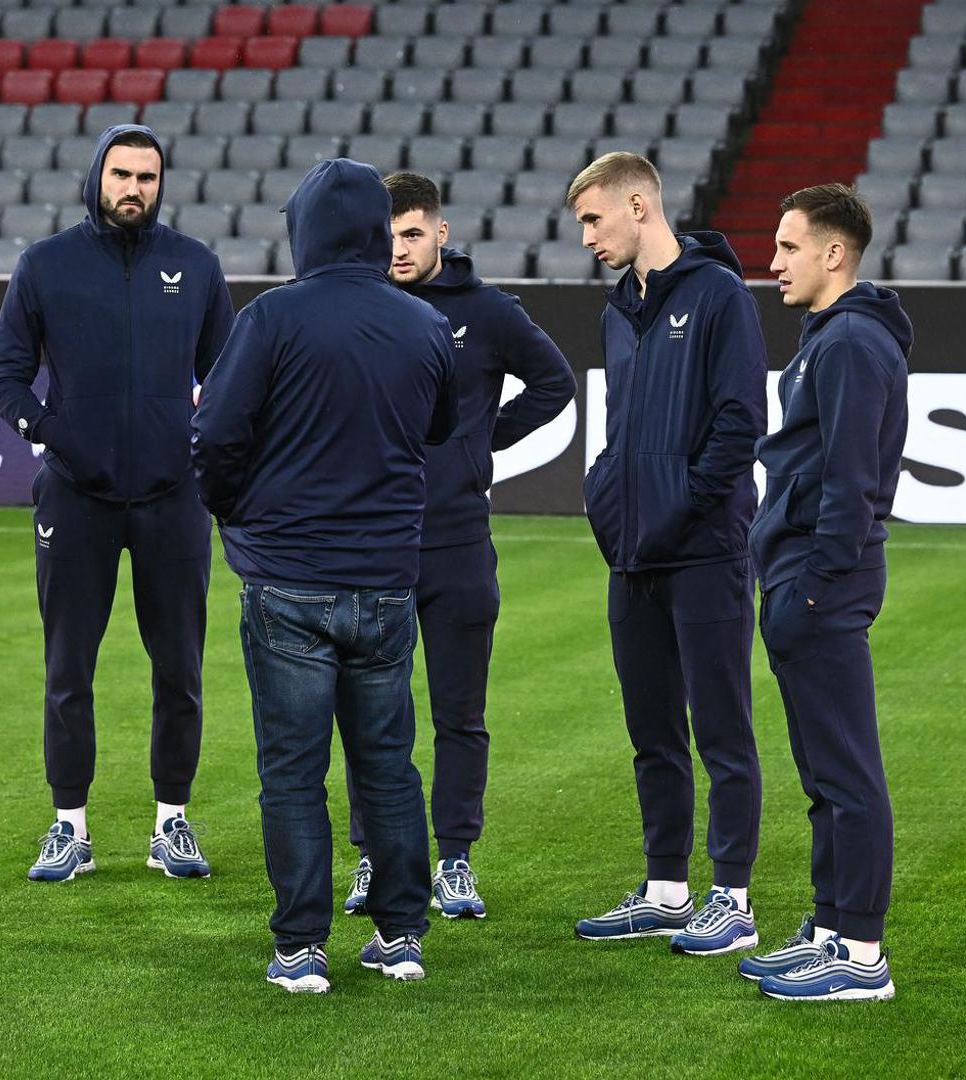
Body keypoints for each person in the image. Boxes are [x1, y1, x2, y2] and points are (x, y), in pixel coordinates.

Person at [192, 158, 457, 993]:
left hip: (289, 581)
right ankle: (402, 935)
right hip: (384, 582)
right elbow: (439, 426)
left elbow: (215, 437)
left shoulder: (271, 317)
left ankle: (302, 947)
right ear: (379, 233)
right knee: (389, 765)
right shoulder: (422, 324)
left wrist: (237, 514)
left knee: (293, 772)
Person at [0, 125, 235, 883]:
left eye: (147, 177)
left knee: (180, 670)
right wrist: (56, 435)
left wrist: (198, 446)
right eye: (122, 174)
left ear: (162, 183)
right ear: (97, 176)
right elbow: (3, 378)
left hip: (172, 500)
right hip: (75, 496)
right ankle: (69, 828)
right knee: (69, 669)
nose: (134, 188)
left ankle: (172, 823)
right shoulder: (46, 266)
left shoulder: (194, 267)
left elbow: (226, 379)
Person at [340, 172, 576, 921]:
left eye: (413, 233)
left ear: (442, 232)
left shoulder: (488, 312)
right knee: (373, 711)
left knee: (459, 714)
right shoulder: (357, 307)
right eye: (389, 234)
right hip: (374, 540)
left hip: (457, 541)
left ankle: (454, 862)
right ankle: (375, 859)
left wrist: (479, 442)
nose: (399, 248)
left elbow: (554, 383)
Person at [567, 153, 769, 956]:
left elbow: (737, 425)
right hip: (634, 551)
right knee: (651, 727)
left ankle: (734, 896)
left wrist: (677, 508)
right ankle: (665, 889)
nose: (585, 237)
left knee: (722, 726)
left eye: (593, 219)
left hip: (705, 548)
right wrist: (609, 499)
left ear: (640, 204)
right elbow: (619, 429)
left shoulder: (719, 295)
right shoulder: (620, 308)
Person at [742, 184, 909, 1002]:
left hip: (821, 583)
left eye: (788, 247)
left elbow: (849, 480)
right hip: (802, 576)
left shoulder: (847, 345)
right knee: (823, 773)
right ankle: (830, 925)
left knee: (847, 773)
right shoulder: (830, 339)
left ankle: (863, 957)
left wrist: (810, 586)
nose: (772, 263)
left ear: (833, 253)